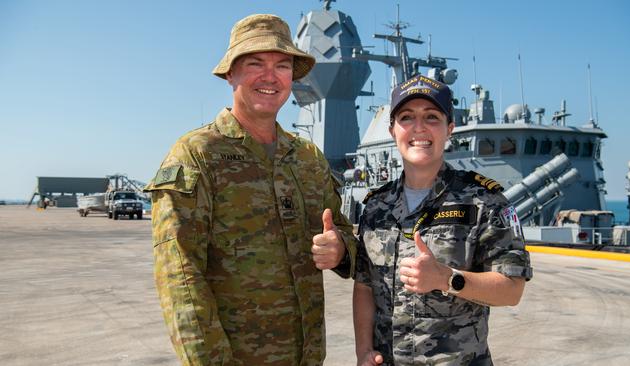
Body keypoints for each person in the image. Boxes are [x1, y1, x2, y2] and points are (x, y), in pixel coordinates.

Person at [144, 14, 356, 365]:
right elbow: (179, 275)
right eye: (255, 63)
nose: (270, 76)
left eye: (282, 66)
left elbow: (342, 231)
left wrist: (340, 250)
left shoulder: (307, 158)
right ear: (231, 73)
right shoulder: (198, 154)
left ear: (292, 77)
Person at [353, 75, 533, 366]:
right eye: (407, 117)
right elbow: (364, 287)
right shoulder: (376, 207)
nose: (419, 127)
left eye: (432, 117)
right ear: (392, 129)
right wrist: (363, 350)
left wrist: (446, 279)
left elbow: (512, 289)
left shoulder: (485, 202)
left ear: (450, 129)